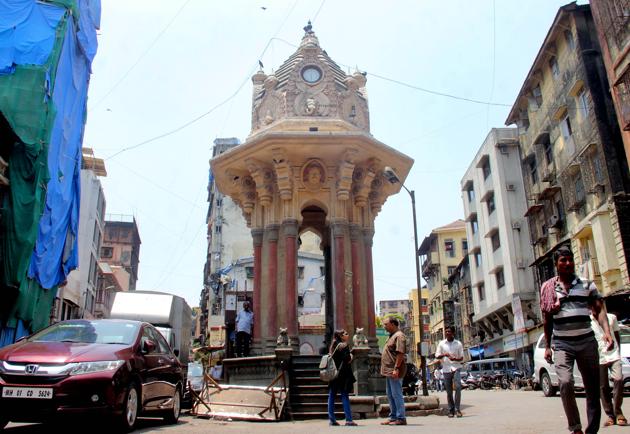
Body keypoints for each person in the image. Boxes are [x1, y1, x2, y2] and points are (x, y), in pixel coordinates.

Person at [540, 245, 613, 434]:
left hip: (587, 341)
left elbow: (598, 309)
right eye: (563, 260)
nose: (568, 263)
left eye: (570, 259)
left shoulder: (587, 284)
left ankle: (592, 430)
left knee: (592, 388)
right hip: (563, 344)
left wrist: (607, 332)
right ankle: (576, 428)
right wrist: (548, 346)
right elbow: (547, 320)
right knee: (564, 382)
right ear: (556, 264)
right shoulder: (548, 288)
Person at [591, 309, 627, 427]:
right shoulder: (588, 322)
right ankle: (610, 415)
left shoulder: (611, 317)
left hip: (614, 353)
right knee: (603, 387)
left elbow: (617, 335)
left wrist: (619, 352)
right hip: (599, 357)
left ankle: (618, 412)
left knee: (618, 379)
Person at [380, 316, 407, 426]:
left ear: (393, 324)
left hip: (394, 370)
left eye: (386, 324)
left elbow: (400, 353)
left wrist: (396, 368)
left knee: (397, 394)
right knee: (390, 394)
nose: (384, 326)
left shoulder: (399, 336)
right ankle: (393, 416)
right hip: (388, 371)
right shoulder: (391, 336)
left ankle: (401, 417)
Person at [327, 329, 357, 426]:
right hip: (343, 374)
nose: (348, 335)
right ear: (341, 336)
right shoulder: (344, 345)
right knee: (344, 395)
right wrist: (351, 356)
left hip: (333, 374)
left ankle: (332, 420)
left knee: (331, 396)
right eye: (346, 333)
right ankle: (348, 419)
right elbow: (347, 359)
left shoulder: (333, 346)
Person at [436, 325, 464, 418]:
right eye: (446, 331)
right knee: (449, 391)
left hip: (456, 367)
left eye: (449, 331)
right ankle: (451, 410)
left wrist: (455, 358)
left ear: (453, 333)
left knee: (458, 388)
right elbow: (437, 355)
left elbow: (461, 358)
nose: (447, 333)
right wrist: (445, 354)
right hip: (446, 369)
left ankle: (457, 409)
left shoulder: (458, 344)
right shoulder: (442, 344)